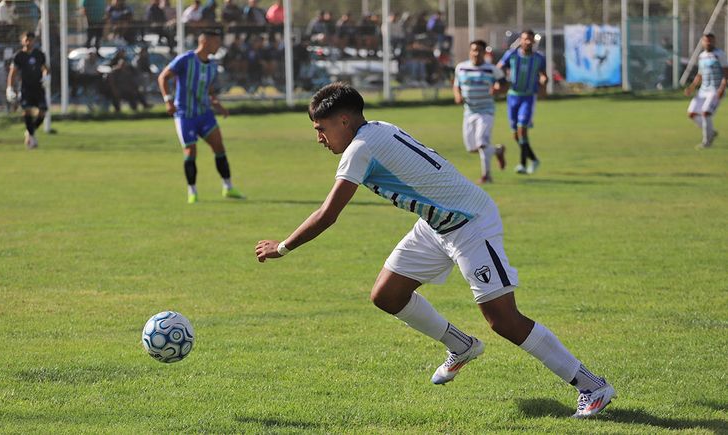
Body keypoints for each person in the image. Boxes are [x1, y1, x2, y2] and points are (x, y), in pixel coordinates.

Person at [255, 82, 615, 419]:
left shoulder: (360, 149)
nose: (319, 137)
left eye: (321, 128)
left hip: (470, 223)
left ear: (344, 120)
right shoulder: (376, 128)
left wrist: (283, 247)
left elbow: (327, 214)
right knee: (387, 294)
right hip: (436, 224)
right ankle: (462, 346)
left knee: (503, 319)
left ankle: (592, 386)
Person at [158, 29, 246, 203]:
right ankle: (192, 191)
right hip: (185, 115)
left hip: (204, 114)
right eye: (216, 42)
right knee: (191, 151)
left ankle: (228, 187)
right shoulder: (185, 60)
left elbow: (208, 89)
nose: (218, 45)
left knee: (219, 147)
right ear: (205, 41)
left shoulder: (212, 65)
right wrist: (168, 100)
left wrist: (217, 104)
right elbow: (163, 77)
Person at [454, 40, 507, 184]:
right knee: (471, 148)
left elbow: (505, 86)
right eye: (473, 50)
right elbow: (456, 85)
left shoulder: (492, 69)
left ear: (484, 53)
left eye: (479, 50)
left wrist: (497, 90)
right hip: (469, 112)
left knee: (482, 143)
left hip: (486, 112)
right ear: (470, 51)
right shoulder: (461, 68)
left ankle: (486, 176)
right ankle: (497, 151)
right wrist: (458, 96)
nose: (476, 53)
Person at [497, 29, 548, 175]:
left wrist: (544, 80)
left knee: (522, 130)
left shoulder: (539, 58)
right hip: (512, 96)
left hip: (528, 97)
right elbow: (499, 68)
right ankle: (534, 159)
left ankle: (522, 164)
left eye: (530, 39)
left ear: (533, 41)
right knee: (516, 135)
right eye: (525, 39)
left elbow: (543, 74)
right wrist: (499, 81)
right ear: (520, 40)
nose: (527, 42)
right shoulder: (511, 55)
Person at [685, 33, 728, 149]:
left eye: (711, 41)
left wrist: (722, 88)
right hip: (703, 90)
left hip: (715, 90)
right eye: (706, 41)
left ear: (714, 41)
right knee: (692, 114)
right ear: (702, 42)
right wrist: (692, 87)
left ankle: (707, 142)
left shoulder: (720, 55)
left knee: (705, 113)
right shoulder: (702, 56)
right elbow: (700, 74)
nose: (708, 43)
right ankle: (712, 132)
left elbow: (726, 73)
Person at [7, 31, 49, 149]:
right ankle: (32, 139)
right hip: (25, 88)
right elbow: (13, 73)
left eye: (31, 40)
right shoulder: (19, 56)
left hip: (38, 88)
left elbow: (45, 68)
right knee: (27, 111)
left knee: (42, 112)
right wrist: (9, 88)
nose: (29, 42)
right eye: (27, 39)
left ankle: (30, 132)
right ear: (22, 41)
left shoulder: (39, 54)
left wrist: (46, 77)